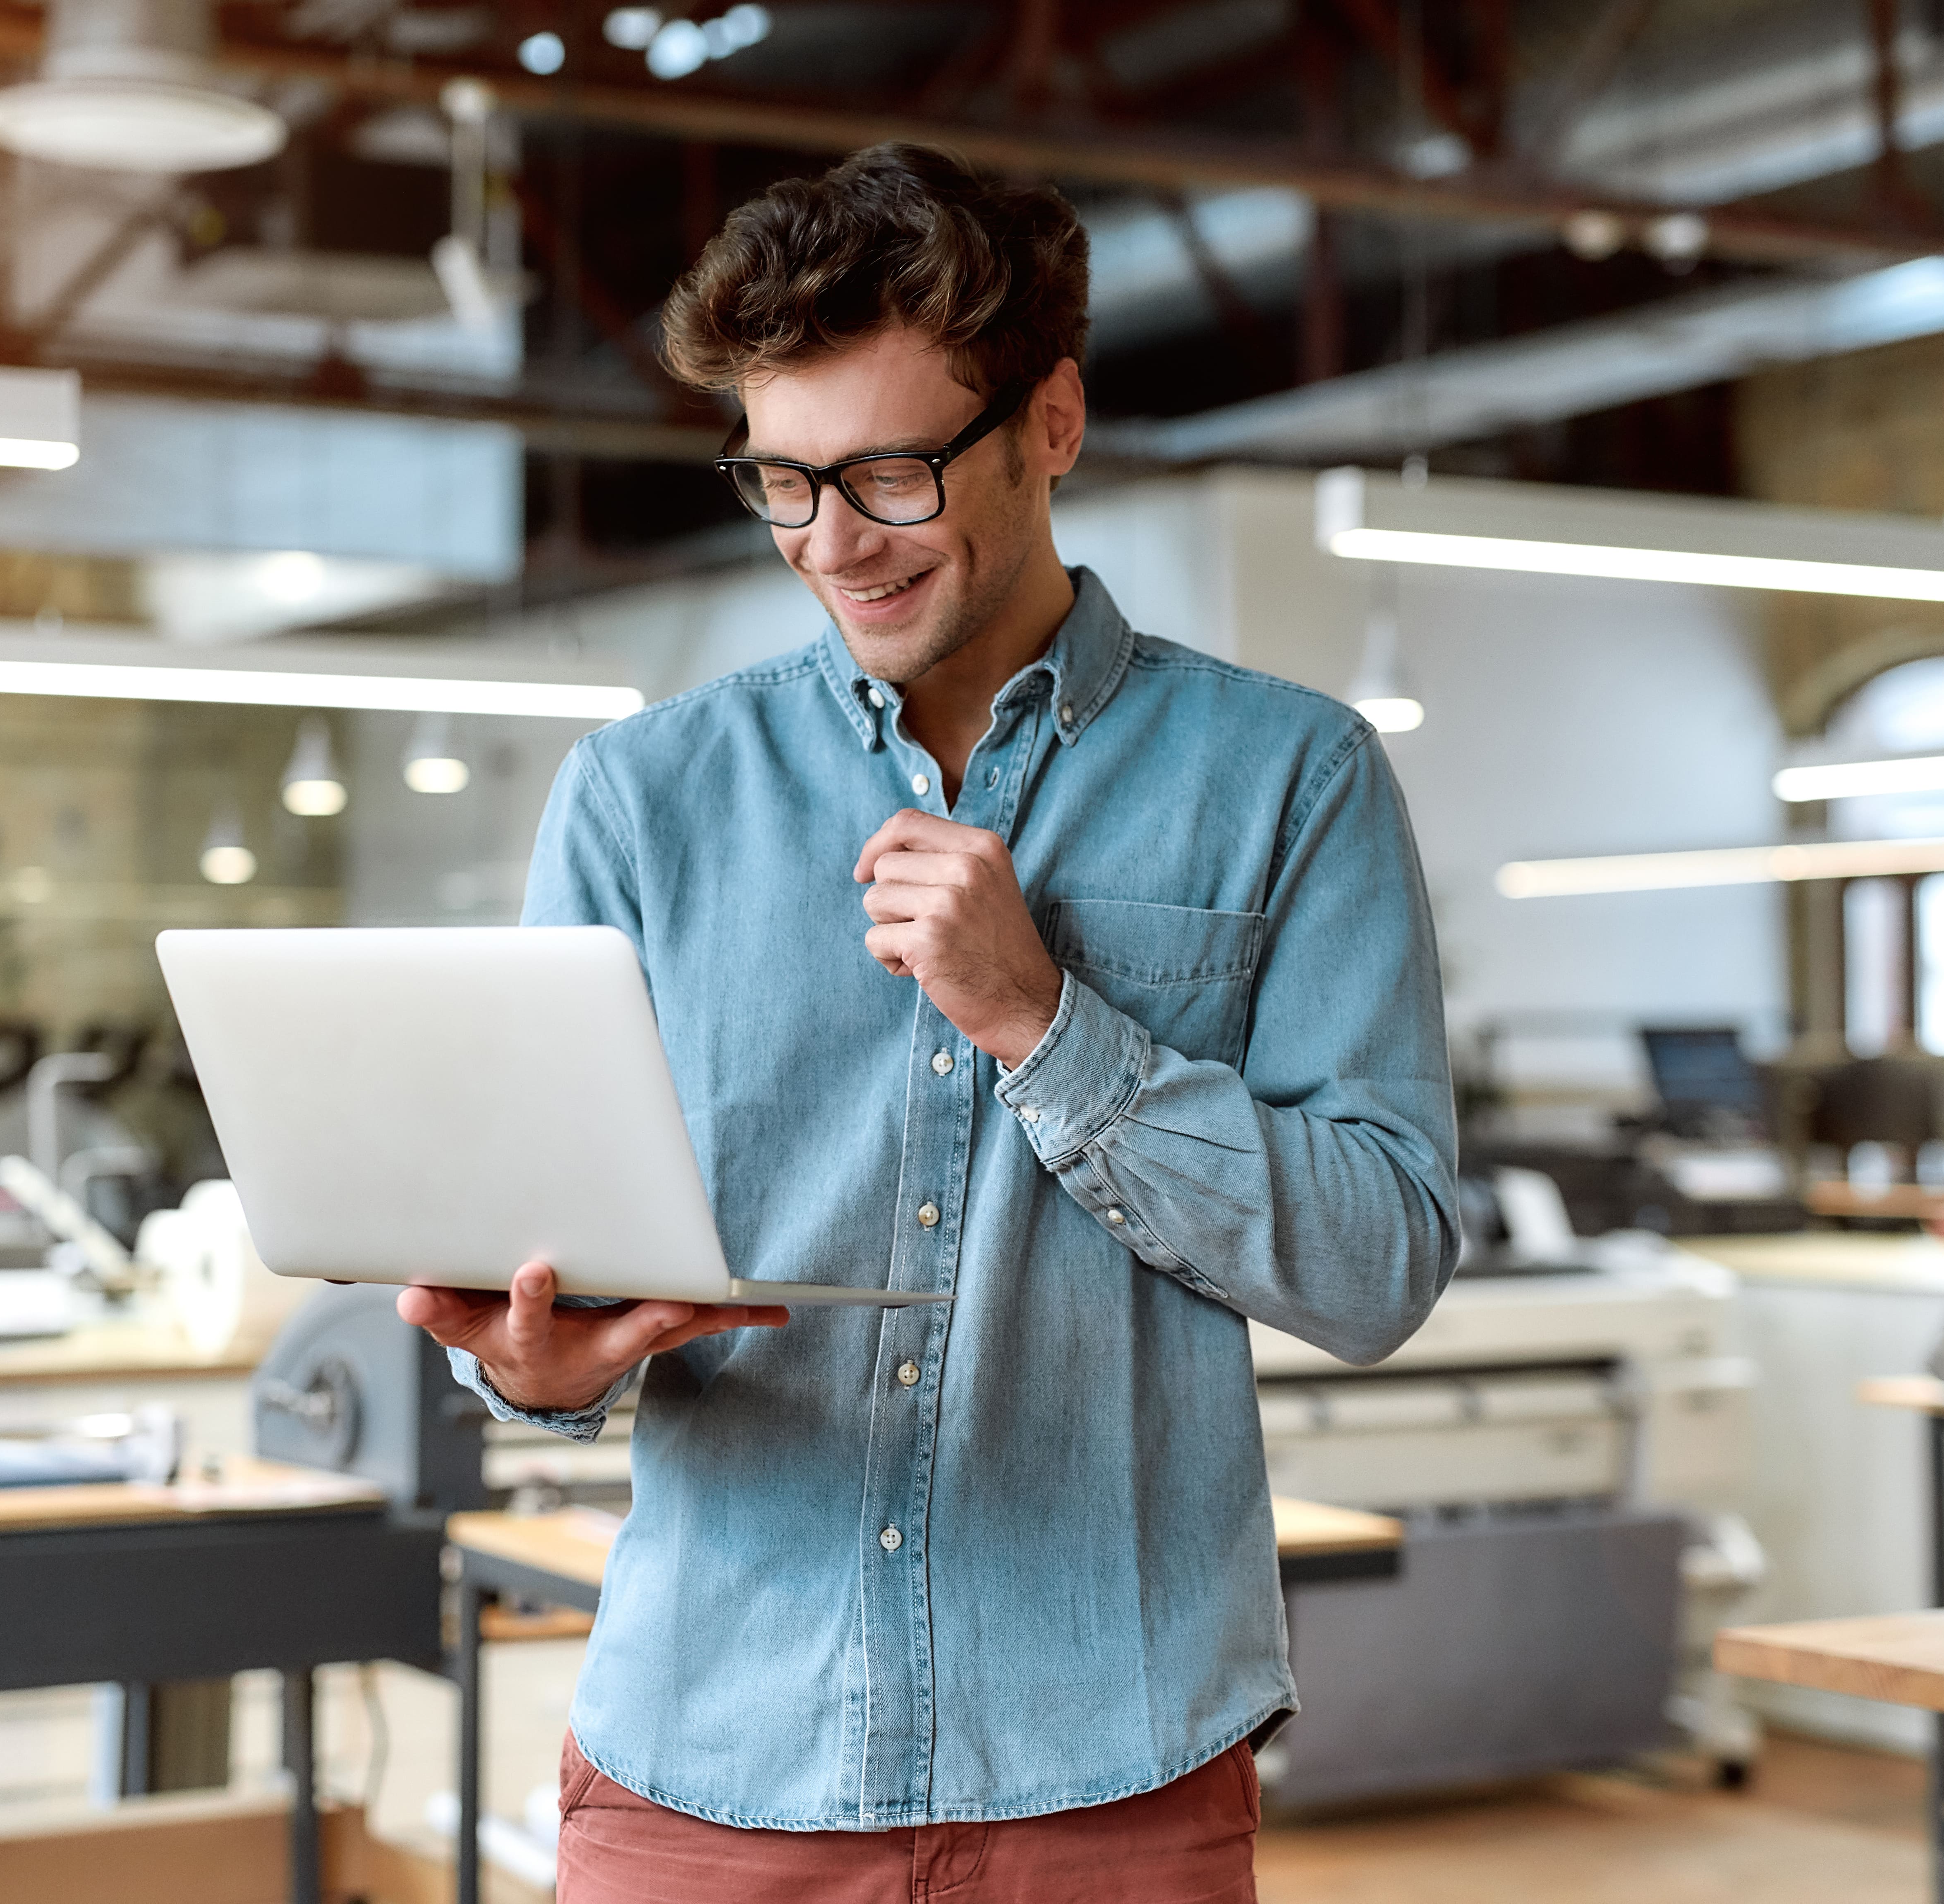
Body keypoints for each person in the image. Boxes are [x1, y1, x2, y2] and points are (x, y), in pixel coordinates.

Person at [396, 142, 1457, 1904]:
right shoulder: (642, 798)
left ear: (1050, 421)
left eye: (887, 472)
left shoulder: (1289, 779)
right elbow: (535, 1268)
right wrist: (525, 1364)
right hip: (707, 1758)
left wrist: (1045, 1020)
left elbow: (1380, 1264)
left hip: (1106, 1770)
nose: (830, 541)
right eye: (781, 482)